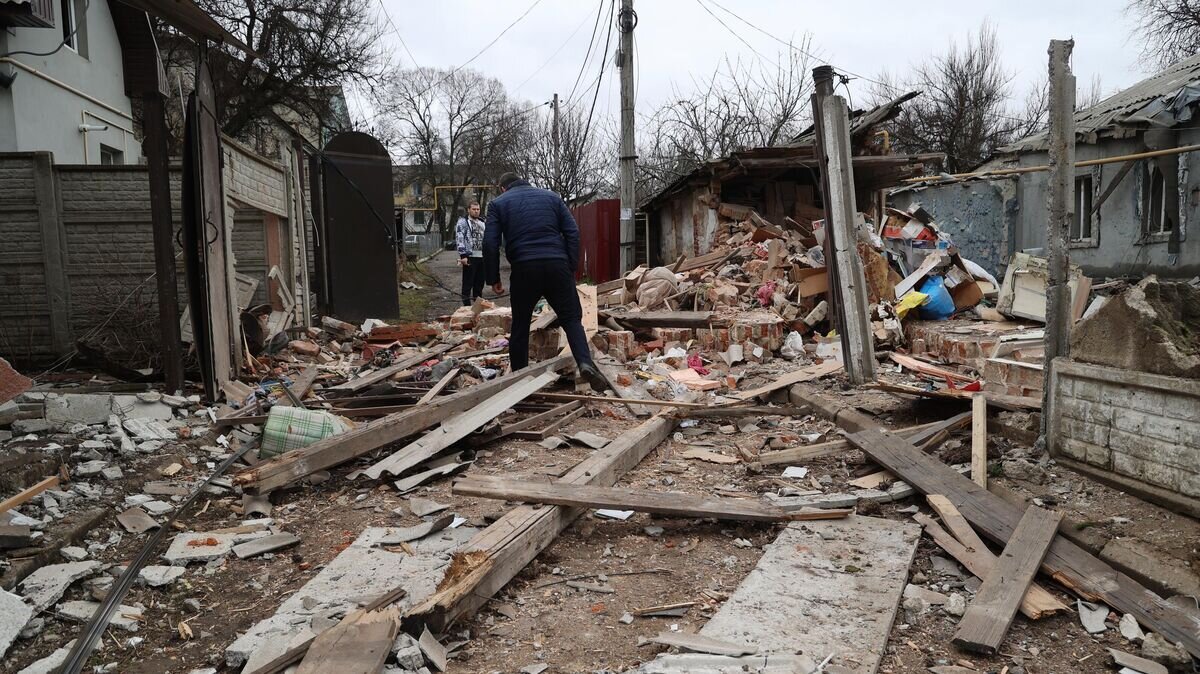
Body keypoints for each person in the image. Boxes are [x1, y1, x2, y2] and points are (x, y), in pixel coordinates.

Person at [484, 172, 608, 391]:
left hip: (524, 268)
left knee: (521, 325)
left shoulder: (498, 204)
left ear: (502, 188)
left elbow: (490, 243)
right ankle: (585, 362)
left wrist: (493, 277)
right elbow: (572, 232)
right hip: (557, 264)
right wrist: (570, 266)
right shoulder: (552, 198)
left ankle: (522, 380)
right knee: (571, 319)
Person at [454, 202, 487, 306]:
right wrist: (463, 255)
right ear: (468, 210)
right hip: (470, 257)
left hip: (482, 257)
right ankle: (467, 308)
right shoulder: (463, 222)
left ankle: (478, 308)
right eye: (474, 209)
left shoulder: (483, 222)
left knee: (479, 284)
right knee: (468, 284)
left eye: (478, 209)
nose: (476, 211)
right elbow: (459, 238)